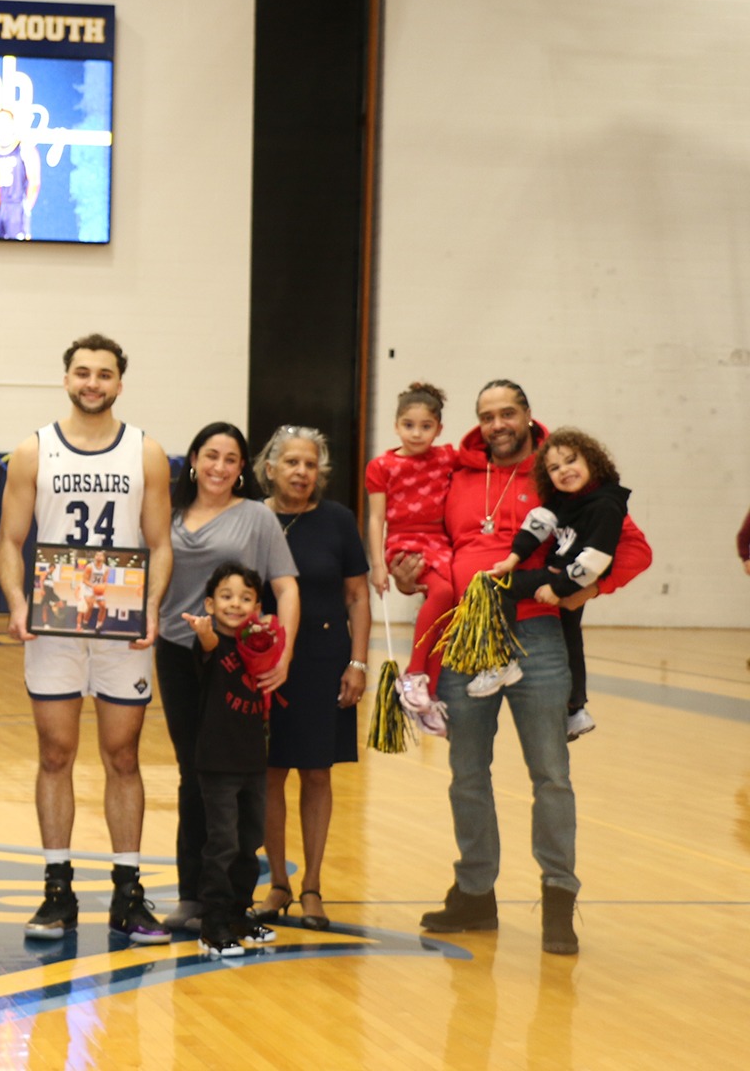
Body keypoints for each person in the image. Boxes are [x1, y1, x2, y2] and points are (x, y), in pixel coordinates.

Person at [404, 381, 652, 955]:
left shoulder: (562, 476)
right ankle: (474, 894)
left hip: (537, 635)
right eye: (487, 415)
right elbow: (429, 539)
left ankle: (559, 900)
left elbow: (633, 548)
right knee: (467, 773)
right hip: (466, 637)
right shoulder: (455, 475)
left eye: (508, 412)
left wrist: (584, 592)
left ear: (528, 416)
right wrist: (408, 566)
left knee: (551, 776)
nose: (497, 424)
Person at [0, 335, 174, 943]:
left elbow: (160, 542)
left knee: (124, 756)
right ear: (66, 379)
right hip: (56, 619)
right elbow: (10, 541)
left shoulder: (145, 451)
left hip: (121, 623)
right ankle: (57, 891)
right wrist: (17, 604)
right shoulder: (33, 450)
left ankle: (128, 891)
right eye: (82, 372)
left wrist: (151, 607)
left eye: (104, 374)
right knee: (55, 754)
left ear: (120, 383)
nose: (92, 383)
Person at [152, 422, 298, 933]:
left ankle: (230, 900)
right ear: (193, 459)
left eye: (231, 459)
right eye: (210, 455)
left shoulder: (257, 516)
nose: (218, 466)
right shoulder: (166, 513)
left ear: (242, 469)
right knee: (192, 772)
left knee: (234, 779)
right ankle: (193, 895)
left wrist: (284, 655)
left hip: (237, 660)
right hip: (178, 651)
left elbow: (286, 586)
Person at [255, 426, 369, 931]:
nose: (301, 472)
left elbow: (358, 597)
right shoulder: (251, 516)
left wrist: (359, 662)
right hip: (263, 663)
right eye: (292, 463)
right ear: (271, 467)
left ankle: (313, 886)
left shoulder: (338, 521)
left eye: (310, 464)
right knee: (269, 772)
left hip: (325, 659)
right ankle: (278, 881)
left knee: (317, 772)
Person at [485, 427, 630, 740]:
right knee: (569, 640)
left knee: (499, 588)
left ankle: (502, 662)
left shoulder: (606, 504)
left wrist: (558, 589)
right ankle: (575, 710)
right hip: (563, 575)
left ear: (592, 460)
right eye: (554, 468)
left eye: (570, 461)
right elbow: (538, 523)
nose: (564, 470)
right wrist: (512, 558)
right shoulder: (566, 500)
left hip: (567, 577)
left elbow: (596, 560)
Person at [179, 562, 276, 957]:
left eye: (245, 597)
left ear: (256, 605)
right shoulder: (211, 644)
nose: (235, 604)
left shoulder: (257, 646)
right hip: (218, 763)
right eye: (226, 596)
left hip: (253, 760)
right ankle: (213, 923)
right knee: (222, 843)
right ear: (209, 603)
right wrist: (204, 634)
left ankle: (239, 911)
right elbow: (206, 647)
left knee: (250, 841)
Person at [366, 382, 459, 736]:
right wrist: (378, 565)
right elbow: (376, 519)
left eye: (426, 426)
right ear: (395, 425)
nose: (416, 433)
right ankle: (415, 675)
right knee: (442, 594)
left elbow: (482, 451)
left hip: (439, 541)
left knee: (450, 607)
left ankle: (427, 694)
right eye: (408, 425)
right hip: (405, 543)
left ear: (438, 429)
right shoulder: (382, 466)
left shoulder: (447, 457)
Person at [0, 108, 40, 241]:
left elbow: (34, 181)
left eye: (5, 121)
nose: (2, 125)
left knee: (17, 248)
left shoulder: (24, 147)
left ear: (12, 124)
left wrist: (26, 207)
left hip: (16, 206)